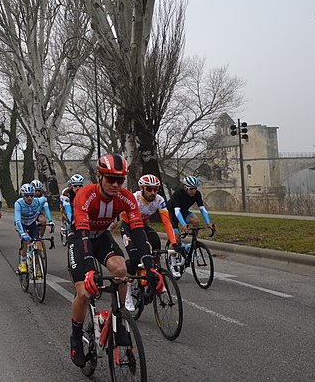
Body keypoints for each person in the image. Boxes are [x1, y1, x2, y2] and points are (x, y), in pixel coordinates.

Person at [65, 154, 162, 369]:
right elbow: (82, 233)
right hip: (80, 240)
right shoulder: (85, 195)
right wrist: (90, 270)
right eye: (111, 179)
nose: (116, 185)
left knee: (121, 271)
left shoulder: (126, 198)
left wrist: (150, 268)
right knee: (84, 292)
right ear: (99, 176)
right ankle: (76, 336)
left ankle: (119, 319)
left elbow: (138, 232)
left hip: (101, 239)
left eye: (120, 180)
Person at [120, 174, 180, 311]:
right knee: (135, 258)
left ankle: (156, 275)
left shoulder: (159, 200)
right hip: (128, 227)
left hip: (143, 226)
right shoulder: (134, 198)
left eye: (156, 189)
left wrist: (174, 243)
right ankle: (127, 291)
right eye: (149, 189)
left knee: (156, 243)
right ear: (142, 188)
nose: (153, 192)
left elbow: (166, 222)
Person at [166, 176, 216, 278]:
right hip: (172, 214)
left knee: (195, 220)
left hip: (183, 212)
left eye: (195, 188)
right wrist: (184, 224)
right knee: (176, 239)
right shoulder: (178, 194)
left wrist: (208, 223)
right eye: (191, 188)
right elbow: (176, 212)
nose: (194, 191)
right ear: (185, 187)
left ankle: (193, 243)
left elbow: (202, 208)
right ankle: (174, 264)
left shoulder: (197, 194)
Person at [14, 183, 53, 273]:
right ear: (23, 196)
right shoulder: (18, 203)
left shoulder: (38, 201)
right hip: (22, 224)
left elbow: (44, 201)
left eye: (31, 195)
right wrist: (23, 234)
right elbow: (17, 220)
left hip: (32, 224)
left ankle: (37, 266)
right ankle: (23, 263)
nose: (30, 198)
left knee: (38, 243)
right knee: (26, 241)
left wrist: (50, 221)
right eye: (27, 196)